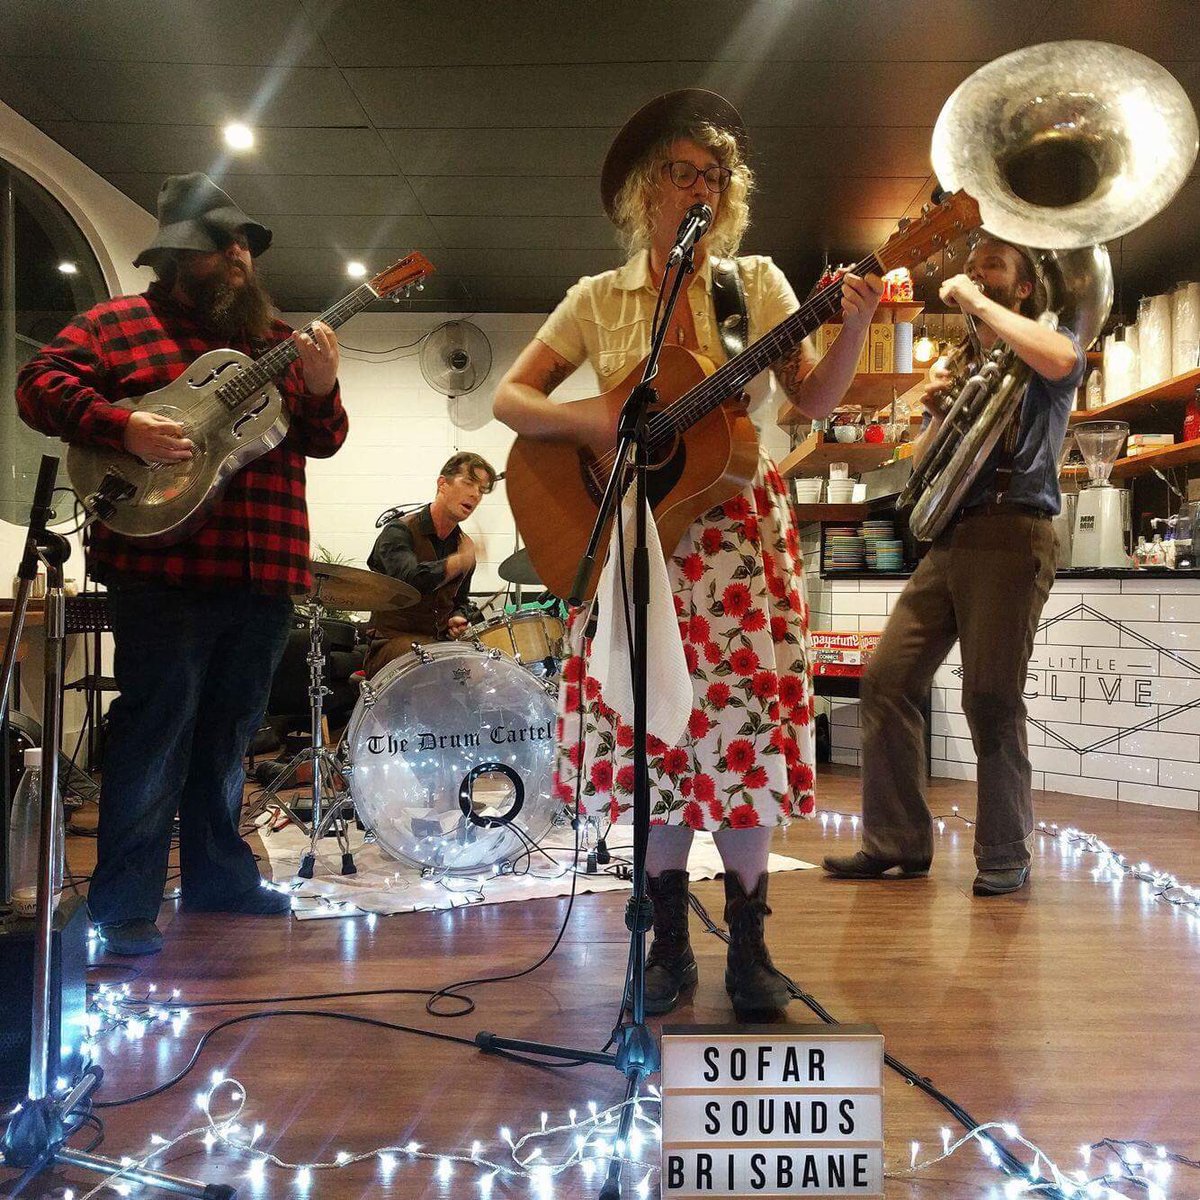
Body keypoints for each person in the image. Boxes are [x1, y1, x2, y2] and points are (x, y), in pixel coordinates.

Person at [494, 89, 882, 1019]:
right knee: (653, 739)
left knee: (741, 741)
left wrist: (858, 323)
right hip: (636, 542)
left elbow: (816, 403)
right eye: (681, 170)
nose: (698, 185)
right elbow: (511, 400)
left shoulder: (756, 287)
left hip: (740, 542)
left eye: (714, 173)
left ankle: (750, 946)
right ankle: (667, 941)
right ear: (644, 189)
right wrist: (597, 417)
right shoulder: (597, 298)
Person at [16, 172, 348, 955]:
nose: (238, 257)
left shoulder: (277, 342)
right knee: (154, 728)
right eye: (221, 246)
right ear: (177, 257)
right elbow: (37, 385)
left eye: (243, 246)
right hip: (161, 571)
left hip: (264, 572)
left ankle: (217, 878)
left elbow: (322, 438)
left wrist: (324, 386)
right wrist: (122, 426)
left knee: (230, 734)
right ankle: (125, 902)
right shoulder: (115, 325)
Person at [824, 234, 1084, 897]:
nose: (972, 275)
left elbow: (1062, 358)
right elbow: (923, 470)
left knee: (991, 697)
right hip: (952, 538)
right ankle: (897, 842)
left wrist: (970, 299)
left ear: (1022, 287)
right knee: (886, 678)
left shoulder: (1041, 348)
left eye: (990, 266)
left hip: (1012, 532)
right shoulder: (972, 366)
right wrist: (936, 409)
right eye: (970, 268)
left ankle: (1005, 853)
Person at [364, 451, 497, 677]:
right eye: (469, 483)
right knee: (434, 664)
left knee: (483, 668)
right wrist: (457, 562)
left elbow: (460, 600)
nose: (475, 495)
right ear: (442, 484)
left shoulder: (464, 545)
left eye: (481, 490)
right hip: (390, 645)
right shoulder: (398, 531)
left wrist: (459, 616)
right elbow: (411, 580)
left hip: (439, 645)